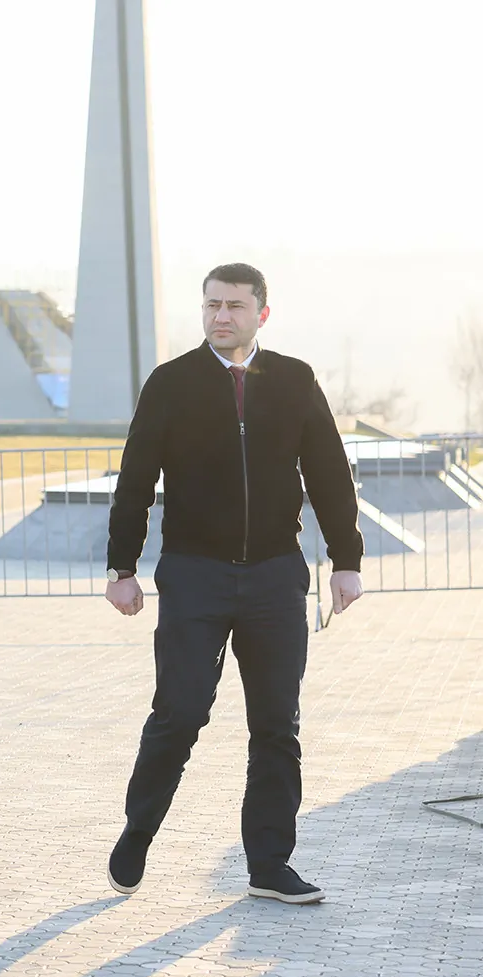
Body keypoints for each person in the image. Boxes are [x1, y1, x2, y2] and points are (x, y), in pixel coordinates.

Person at [105, 263, 364, 905]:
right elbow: (135, 479)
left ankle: (269, 865)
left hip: (276, 576)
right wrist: (122, 567)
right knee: (181, 712)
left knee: (277, 725)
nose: (221, 316)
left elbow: (329, 471)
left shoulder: (295, 379)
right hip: (195, 573)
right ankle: (139, 832)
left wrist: (346, 558)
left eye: (235, 306)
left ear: (261, 314)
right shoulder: (171, 383)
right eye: (212, 304)